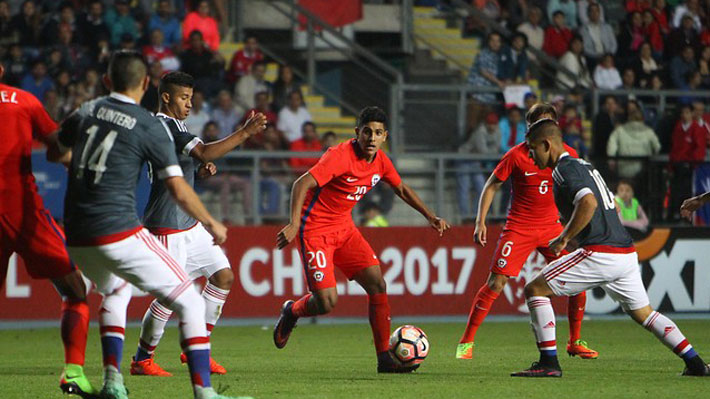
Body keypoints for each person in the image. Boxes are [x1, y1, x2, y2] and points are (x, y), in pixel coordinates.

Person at [47, 50, 242, 399]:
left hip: (76, 231)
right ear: (146, 84)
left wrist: (83, 171)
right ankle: (204, 393)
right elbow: (177, 188)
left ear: (107, 81)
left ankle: (112, 382)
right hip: (120, 228)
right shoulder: (148, 123)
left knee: (116, 293)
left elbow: (55, 152)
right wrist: (211, 220)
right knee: (189, 302)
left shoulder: (86, 111)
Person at [512, 119, 710, 377]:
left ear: (547, 145)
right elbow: (609, 206)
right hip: (625, 253)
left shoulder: (563, 169)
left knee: (535, 289)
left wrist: (564, 237)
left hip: (601, 253)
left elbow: (588, 202)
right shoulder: (585, 166)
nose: (529, 154)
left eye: (532, 148)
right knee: (645, 314)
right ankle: (695, 364)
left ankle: (549, 363)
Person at [273, 106, 450, 372]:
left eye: (377, 133)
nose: (371, 137)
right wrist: (294, 223)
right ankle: (292, 311)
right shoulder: (339, 156)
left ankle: (384, 359)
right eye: (367, 132)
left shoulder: (380, 160)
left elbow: (400, 187)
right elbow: (302, 183)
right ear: (357, 132)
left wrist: (430, 216)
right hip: (315, 229)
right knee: (326, 303)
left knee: (377, 284)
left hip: (344, 228)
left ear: (384, 136)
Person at [130, 71, 267, 377]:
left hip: (188, 225)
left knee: (223, 276)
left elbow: (183, 167)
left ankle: (196, 348)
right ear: (166, 97)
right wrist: (244, 133)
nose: (190, 103)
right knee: (169, 298)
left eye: (191, 97)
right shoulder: (164, 125)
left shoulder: (176, 126)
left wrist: (198, 173)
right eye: (183, 97)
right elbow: (204, 151)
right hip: (166, 225)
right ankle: (142, 359)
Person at [456, 103, 597, 361]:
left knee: (578, 280)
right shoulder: (517, 155)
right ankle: (466, 342)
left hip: (552, 228)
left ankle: (575, 341)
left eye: (544, 123)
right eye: (533, 124)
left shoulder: (568, 155)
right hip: (519, 228)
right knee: (496, 282)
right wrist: (480, 221)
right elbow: (491, 186)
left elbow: (580, 192)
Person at [0, 62, 95, 397]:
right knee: (75, 290)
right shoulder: (24, 101)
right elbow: (56, 147)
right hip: (23, 212)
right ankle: (72, 372)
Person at [456, 112, 501, 221]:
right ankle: (465, 217)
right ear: (486, 123)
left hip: (476, 161)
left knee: (481, 188)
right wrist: (493, 152)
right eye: (490, 124)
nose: (492, 126)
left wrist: (492, 152)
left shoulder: (497, 131)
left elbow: (497, 147)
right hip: (464, 160)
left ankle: (477, 215)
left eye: (494, 124)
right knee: (464, 188)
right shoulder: (480, 131)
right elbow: (483, 151)